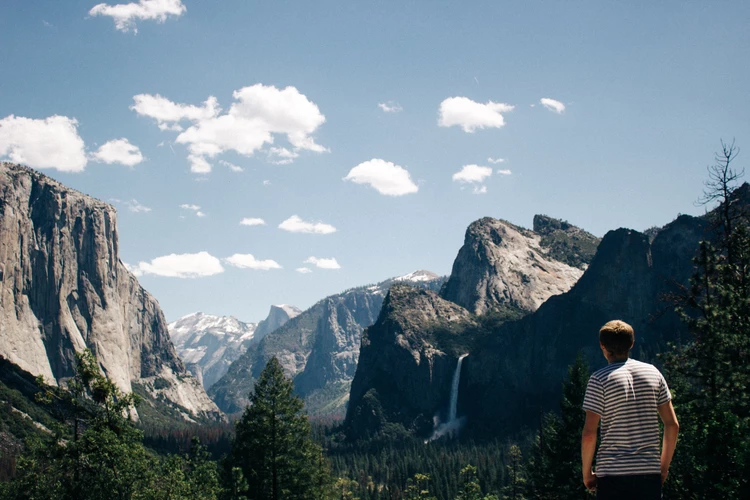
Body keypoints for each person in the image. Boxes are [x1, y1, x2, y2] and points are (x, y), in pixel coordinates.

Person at [580, 320, 679, 499]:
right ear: (632, 344)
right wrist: (662, 468)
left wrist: (587, 473)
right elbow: (672, 425)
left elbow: (589, 433)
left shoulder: (599, 380)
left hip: (612, 476)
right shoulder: (653, 373)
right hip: (649, 474)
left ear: (602, 346)